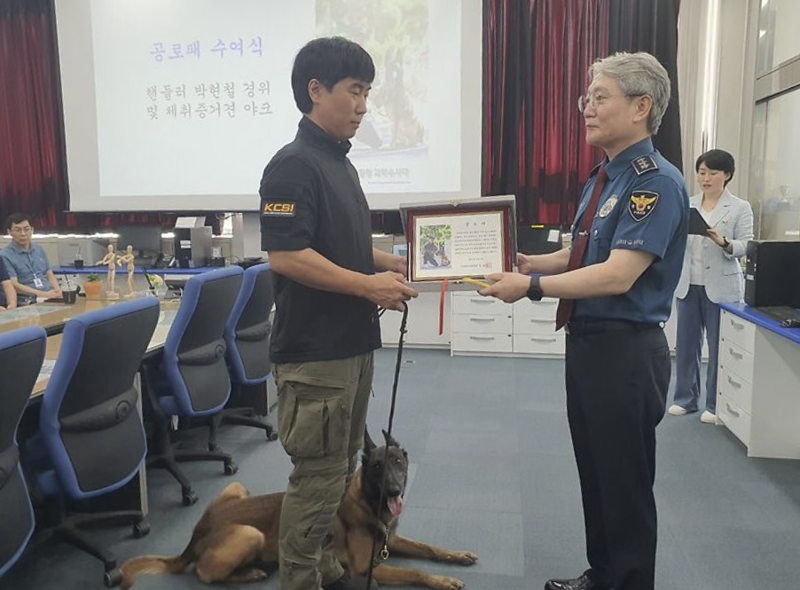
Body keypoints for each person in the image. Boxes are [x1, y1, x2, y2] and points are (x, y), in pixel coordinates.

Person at [480, 52, 688, 590]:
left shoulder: (654, 183)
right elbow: (581, 252)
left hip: (626, 352)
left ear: (641, 106)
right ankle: (604, 575)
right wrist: (527, 262)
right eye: (586, 98)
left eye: (600, 98)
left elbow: (617, 275)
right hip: (591, 346)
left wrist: (530, 286)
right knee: (596, 475)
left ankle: (629, 581)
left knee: (625, 483)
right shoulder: (604, 177)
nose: (586, 109)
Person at [258, 36, 418, 590]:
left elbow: (343, 247)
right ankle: (300, 580)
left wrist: (398, 262)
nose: (364, 105)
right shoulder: (292, 166)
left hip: (350, 348)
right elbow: (288, 254)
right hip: (316, 356)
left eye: (368, 92)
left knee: (343, 468)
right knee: (320, 479)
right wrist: (368, 286)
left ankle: (326, 569)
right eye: (355, 90)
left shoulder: (338, 165)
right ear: (315, 90)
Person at [669, 149, 754, 424]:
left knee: (718, 348)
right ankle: (685, 399)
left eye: (712, 173)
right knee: (685, 347)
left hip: (721, 287)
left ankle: (716, 404)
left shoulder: (740, 207)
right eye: (701, 172)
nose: (705, 178)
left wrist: (724, 242)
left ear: (726, 176)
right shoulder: (687, 203)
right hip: (688, 284)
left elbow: (747, 245)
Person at [0, 212, 61, 300]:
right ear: (9, 232)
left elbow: (49, 274)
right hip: (29, 299)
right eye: (18, 230)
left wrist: (57, 291)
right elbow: (14, 285)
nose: (23, 234)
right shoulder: (4, 255)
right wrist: (44, 295)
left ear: (32, 230)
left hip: (50, 294)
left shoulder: (38, 249)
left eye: (26, 229)